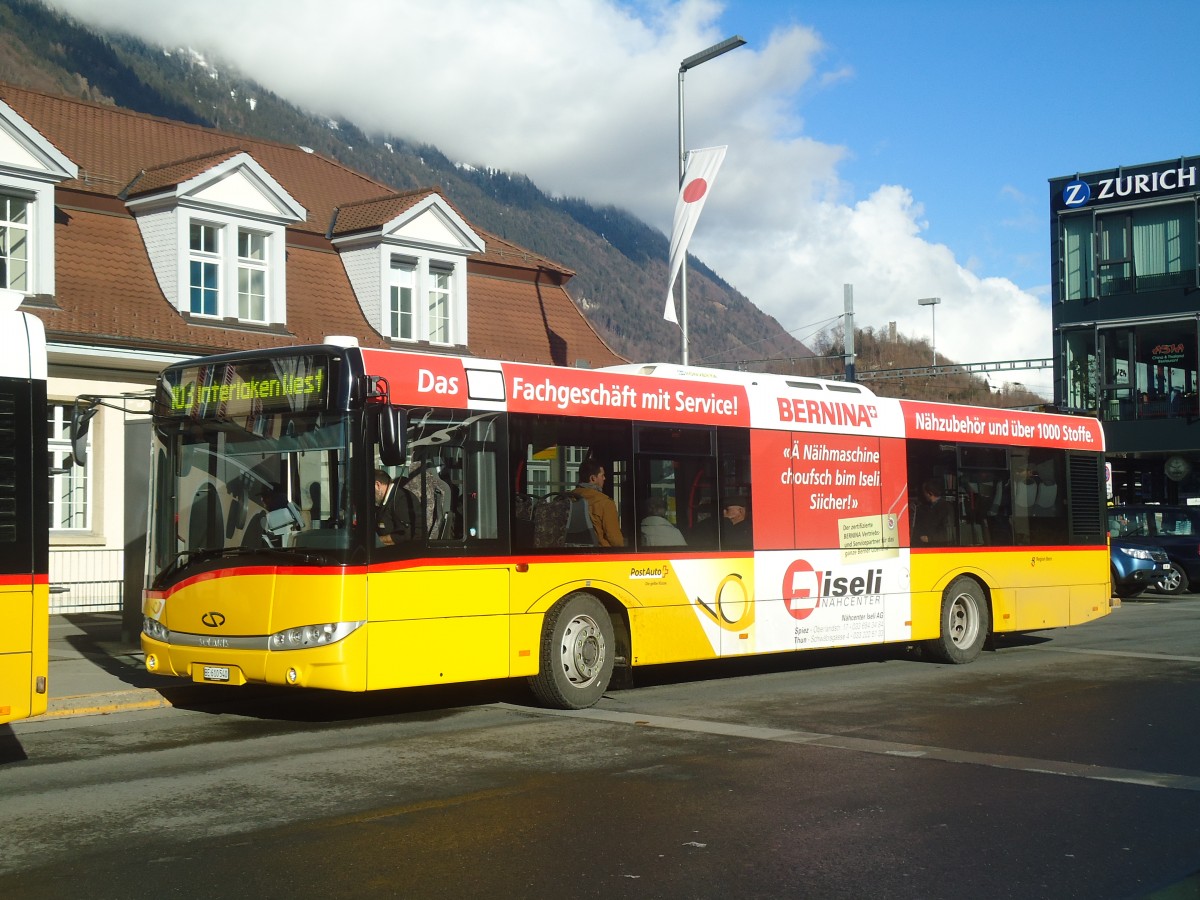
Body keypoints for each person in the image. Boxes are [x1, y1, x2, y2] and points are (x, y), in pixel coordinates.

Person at [571, 459, 624, 547]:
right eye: (602, 475)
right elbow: (615, 539)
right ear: (593, 478)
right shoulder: (605, 503)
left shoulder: (567, 499)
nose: (604, 478)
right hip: (601, 555)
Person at [373, 468, 413, 545]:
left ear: (378, 485)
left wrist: (375, 541)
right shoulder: (386, 501)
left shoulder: (401, 500)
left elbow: (404, 535)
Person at [912, 479, 954, 546]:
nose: (923, 494)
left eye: (924, 492)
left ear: (930, 493)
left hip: (939, 547)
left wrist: (930, 538)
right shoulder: (926, 507)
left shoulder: (945, 507)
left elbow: (948, 532)